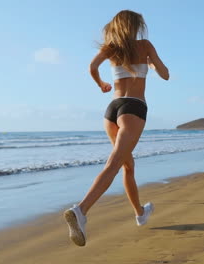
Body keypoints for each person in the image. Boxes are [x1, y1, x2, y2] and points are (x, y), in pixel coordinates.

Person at [63, 10, 169, 247]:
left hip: (112, 109)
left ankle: (140, 213)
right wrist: (151, 65)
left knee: (127, 166)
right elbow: (166, 75)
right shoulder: (145, 45)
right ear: (135, 26)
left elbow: (92, 66)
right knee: (114, 164)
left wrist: (101, 84)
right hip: (134, 108)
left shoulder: (111, 48)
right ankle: (80, 210)